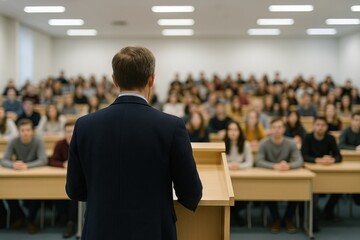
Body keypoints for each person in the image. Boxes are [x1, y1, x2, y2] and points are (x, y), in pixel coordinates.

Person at [66, 46, 202, 240]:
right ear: (152, 79)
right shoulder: (171, 126)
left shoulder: (85, 125)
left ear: (114, 80)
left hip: (100, 229)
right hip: (152, 230)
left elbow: (75, 189)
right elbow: (191, 193)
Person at [255, 118, 303, 233]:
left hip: (287, 175)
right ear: (270, 129)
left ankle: (288, 218)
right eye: (274, 127)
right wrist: (274, 166)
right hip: (270, 177)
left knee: (298, 190)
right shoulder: (264, 143)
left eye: (279, 127)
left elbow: (299, 161)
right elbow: (258, 161)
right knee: (268, 190)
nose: (277, 130)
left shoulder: (291, 143)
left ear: (284, 129)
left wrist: (289, 166)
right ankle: (275, 219)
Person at [1, 119, 48, 234]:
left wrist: (27, 166)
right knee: (6, 190)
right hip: (18, 173)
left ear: (32, 131)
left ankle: (30, 221)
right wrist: (13, 165)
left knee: (36, 194)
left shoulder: (38, 141)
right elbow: (4, 160)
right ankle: (19, 216)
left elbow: (43, 160)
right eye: (22, 130)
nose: (25, 133)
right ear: (18, 131)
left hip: (34, 175)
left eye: (28, 130)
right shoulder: (13, 141)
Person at [301, 117, 342, 231]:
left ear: (326, 127)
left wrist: (332, 159)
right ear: (313, 126)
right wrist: (318, 160)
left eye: (322, 125)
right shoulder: (307, 138)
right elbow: (304, 156)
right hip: (311, 171)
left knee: (341, 186)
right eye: (317, 125)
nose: (320, 127)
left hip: (327, 171)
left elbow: (339, 156)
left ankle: (328, 210)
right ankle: (312, 221)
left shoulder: (330, 138)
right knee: (312, 192)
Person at [48, 121, 78, 238]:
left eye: (72, 131)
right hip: (60, 177)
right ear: (64, 133)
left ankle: (71, 222)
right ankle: (63, 217)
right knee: (56, 192)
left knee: (74, 195)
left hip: (76, 178)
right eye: (68, 131)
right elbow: (51, 160)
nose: (70, 134)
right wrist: (62, 164)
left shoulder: (80, 141)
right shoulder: (60, 144)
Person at [224, 121, 253, 226]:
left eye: (235, 130)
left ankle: (234, 214)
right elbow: (220, 161)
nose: (233, 132)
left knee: (245, 194)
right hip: (227, 177)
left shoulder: (246, 144)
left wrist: (239, 166)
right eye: (230, 130)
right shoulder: (222, 144)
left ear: (239, 131)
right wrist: (229, 165)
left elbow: (250, 162)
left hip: (242, 176)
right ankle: (234, 215)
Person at [338, 111, 360, 205]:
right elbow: (341, 145)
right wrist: (355, 148)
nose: (358, 122)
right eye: (356, 120)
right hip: (346, 164)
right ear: (352, 120)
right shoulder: (346, 131)